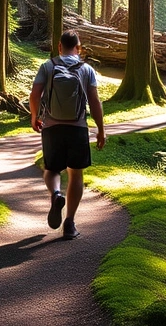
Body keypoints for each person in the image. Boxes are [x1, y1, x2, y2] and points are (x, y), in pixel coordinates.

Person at [29, 30, 105, 239]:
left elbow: (35, 94)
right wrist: (101, 129)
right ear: (78, 49)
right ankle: (69, 223)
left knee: (52, 169)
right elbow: (95, 102)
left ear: (60, 47)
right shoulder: (86, 69)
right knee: (75, 174)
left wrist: (34, 116)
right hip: (78, 127)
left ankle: (55, 194)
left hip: (52, 127)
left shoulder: (48, 66)